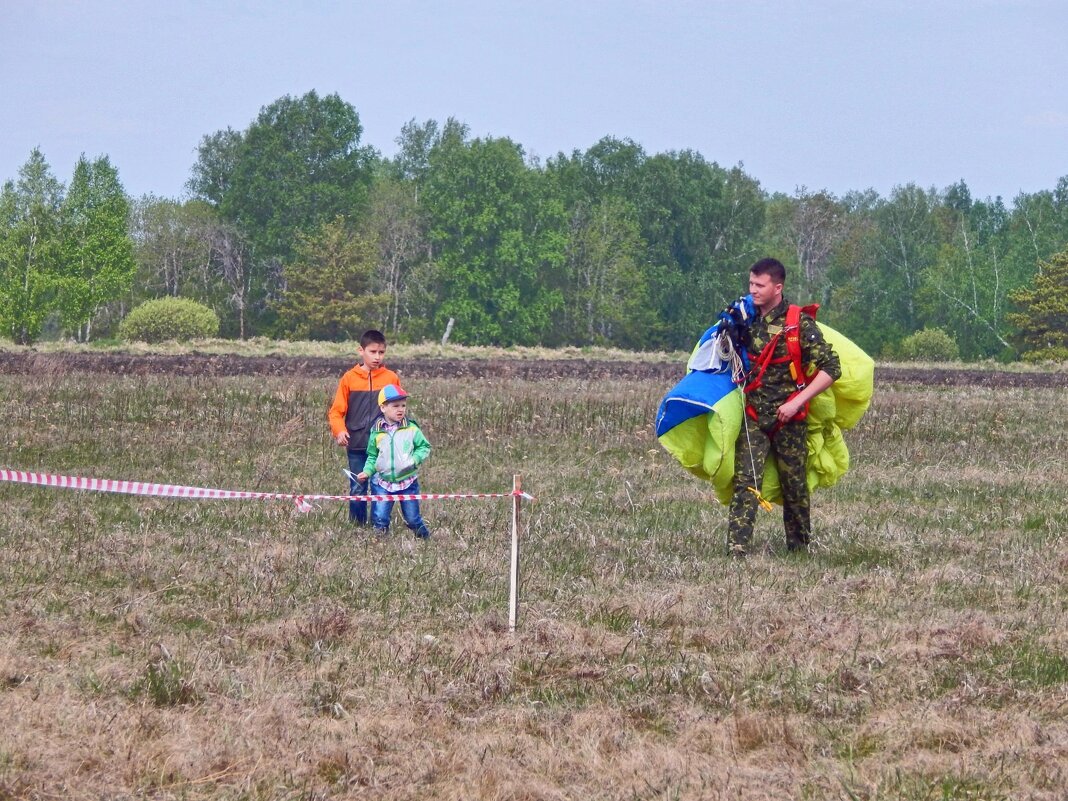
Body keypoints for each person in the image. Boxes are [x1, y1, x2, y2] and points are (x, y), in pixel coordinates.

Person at [727, 258, 841, 556]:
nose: (753, 290)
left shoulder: (798, 323)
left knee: (795, 488)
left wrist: (797, 403)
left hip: (790, 418)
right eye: (751, 284)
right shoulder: (743, 317)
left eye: (760, 285)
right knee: (746, 483)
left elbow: (832, 368)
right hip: (753, 415)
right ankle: (736, 549)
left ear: (778, 287)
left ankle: (799, 550)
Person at [328, 330, 402, 524]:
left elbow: (398, 410)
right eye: (373, 351)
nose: (377, 357)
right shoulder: (349, 379)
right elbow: (336, 411)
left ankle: (380, 525)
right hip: (357, 444)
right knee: (358, 487)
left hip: (383, 446)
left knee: (382, 487)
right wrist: (340, 431)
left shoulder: (391, 378)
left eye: (381, 352)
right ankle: (357, 526)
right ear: (361, 351)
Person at [357, 384, 432, 539]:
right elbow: (372, 456)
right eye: (395, 406)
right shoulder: (376, 432)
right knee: (380, 518)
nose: (401, 409)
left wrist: (415, 459)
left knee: (412, 518)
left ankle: (425, 538)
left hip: (408, 482)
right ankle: (379, 543)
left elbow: (424, 446)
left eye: (403, 405)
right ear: (383, 408)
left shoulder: (411, 429)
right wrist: (367, 471)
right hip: (383, 483)